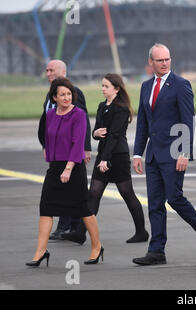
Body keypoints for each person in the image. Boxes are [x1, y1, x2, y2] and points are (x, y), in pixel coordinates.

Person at [132, 43, 196, 266]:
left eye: (168, 59)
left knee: (174, 198)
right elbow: (143, 123)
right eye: (160, 60)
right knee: (155, 203)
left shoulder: (181, 85)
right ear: (151, 62)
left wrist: (185, 152)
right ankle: (156, 251)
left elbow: (188, 121)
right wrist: (137, 153)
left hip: (174, 153)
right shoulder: (146, 87)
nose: (165, 63)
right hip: (152, 156)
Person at [62, 73, 149, 245]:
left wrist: (105, 159)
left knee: (127, 193)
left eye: (106, 86)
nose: (102, 89)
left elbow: (114, 136)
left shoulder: (121, 108)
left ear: (116, 89)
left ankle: (141, 232)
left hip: (117, 156)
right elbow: (98, 131)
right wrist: (94, 134)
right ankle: (80, 232)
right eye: (102, 85)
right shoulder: (103, 106)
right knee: (93, 193)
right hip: (103, 154)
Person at [27, 77, 103, 267]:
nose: (67, 97)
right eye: (62, 94)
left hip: (73, 168)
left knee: (83, 210)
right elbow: (45, 134)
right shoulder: (50, 114)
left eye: (69, 94)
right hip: (54, 168)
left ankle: (97, 246)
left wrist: (68, 168)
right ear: (54, 97)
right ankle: (40, 252)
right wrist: (48, 151)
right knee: (45, 209)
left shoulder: (78, 114)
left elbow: (78, 143)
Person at [38, 60, 92, 240]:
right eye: (46, 70)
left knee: (73, 192)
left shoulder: (73, 93)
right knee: (64, 191)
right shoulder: (51, 95)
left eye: (51, 70)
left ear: (61, 72)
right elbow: (46, 123)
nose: (47, 73)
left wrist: (85, 148)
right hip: (56, 151)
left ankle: (73, 228)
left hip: (71, 152)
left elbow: (82, 121)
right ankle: (69, 227)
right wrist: (45, 145)